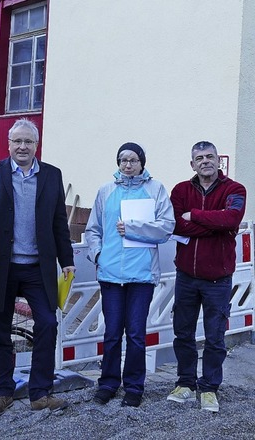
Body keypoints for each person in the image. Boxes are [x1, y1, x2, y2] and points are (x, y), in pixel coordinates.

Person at [0, 118, 75, 417]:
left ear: (36, 145)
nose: (22, 146)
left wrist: (67, 259)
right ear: (8, 145)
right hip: (1, 266)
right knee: (1, 330)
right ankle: (4, 390)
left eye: (28, 141)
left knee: (47, 323)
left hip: (36, 268)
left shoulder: (51, 175)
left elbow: (59, 221)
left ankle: (39, 392)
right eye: (17, 141)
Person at [85, 142, 175, 407]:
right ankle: (108, 383)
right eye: (123, 160)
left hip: (142, 275)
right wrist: (99, 255)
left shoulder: (155, 189)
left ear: (142, 162)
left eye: (133, 160)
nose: (127, 165)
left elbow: (166, 227)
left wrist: (133, 228)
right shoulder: (106, 191)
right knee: (112, 332)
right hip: (111, 274)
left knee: (136, 333)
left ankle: (134, 387)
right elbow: (93, 230)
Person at [167, 141, 246, 412]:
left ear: (218, 161)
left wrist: (196, 216)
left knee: (215, 337)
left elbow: (232, 220)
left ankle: (210, 387)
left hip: (218, 279)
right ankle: (185, 382)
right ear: (192, 164)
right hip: (186, 276)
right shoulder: (180, 190)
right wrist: (213, 225)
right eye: (199, 158)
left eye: (209, 156)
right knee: (183, 333)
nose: (205, 161)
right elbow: (176, 223)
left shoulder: (234, 189)